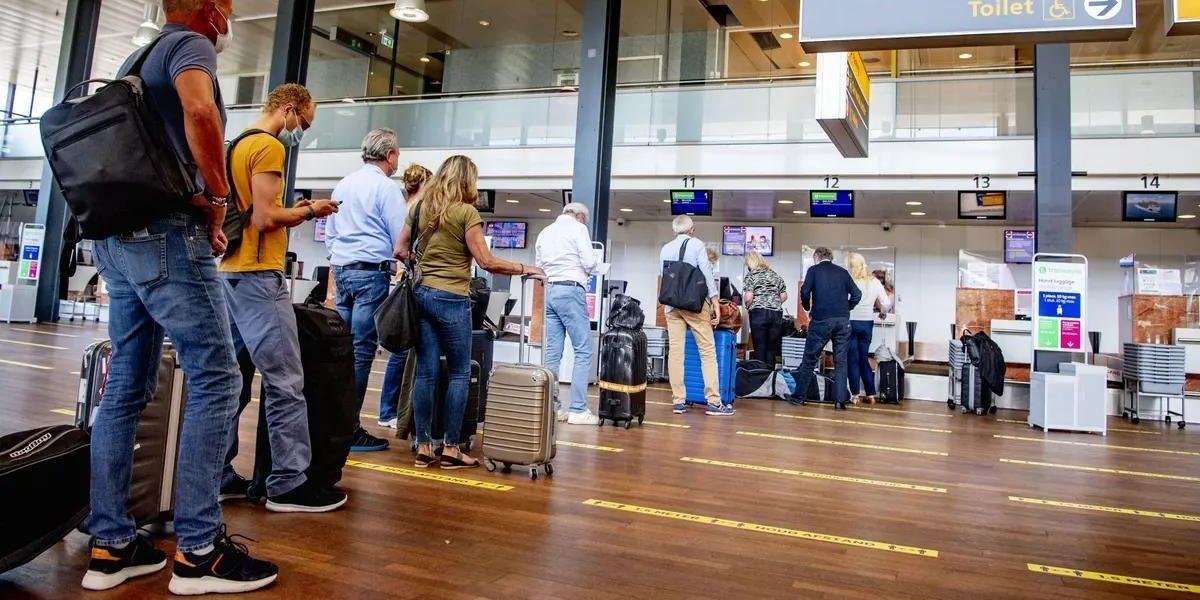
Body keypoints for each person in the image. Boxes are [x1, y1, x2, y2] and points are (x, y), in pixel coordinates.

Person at [82, 0, 279, 594]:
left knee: (126, 384)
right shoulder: (190, 47)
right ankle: (200, 553)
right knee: (217, 377)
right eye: (225, 4)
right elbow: (200, 111)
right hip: (167, 236)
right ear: (205, 8)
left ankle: (110, 543)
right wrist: (218, 198)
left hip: (117, 240)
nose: (230, 14)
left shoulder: (134, 60)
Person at [217, 83, 344, 512]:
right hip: (257, 277)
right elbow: (266, 217)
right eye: (304, 124)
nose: (301, 132)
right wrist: (311, 210)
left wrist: (296, 207)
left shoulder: (237, 142)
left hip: (229, 275)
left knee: (231, 382)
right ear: (289, 110)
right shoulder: (270, 147)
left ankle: (219, 473)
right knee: (286, 381)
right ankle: (289, 483)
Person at [395, 155, 544, 468]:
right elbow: (486, 261)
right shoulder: (466, 212)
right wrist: (524, 267)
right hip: (451, 298)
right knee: (461, 372)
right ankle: (450, 448)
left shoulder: (420, 208)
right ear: (467, 181)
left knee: (426, 371)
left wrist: (422, 266)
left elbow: (399, 249)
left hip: (421, 295)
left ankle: (423, 445)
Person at [324, 128, 408, 452]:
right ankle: (350, 429)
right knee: (360, 352)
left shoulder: (344, 183)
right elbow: (400, 239)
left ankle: (332, 424)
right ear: (389, 156)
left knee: (339, 351)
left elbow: (330, 232)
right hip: (370, 275)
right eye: (397, 153)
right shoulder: (386, 188)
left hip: (342, 273)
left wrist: (339, 258)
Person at [660, 216, 736, 417]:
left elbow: (665, 275)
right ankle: (713, 401)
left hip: (671, 305)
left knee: (676, 352)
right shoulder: (696, 245)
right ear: (691, 229)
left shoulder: (665, 248)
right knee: (708, 351)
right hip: (694, 305)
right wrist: (715, 302)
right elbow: (707, 274)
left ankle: (678, 401)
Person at [376, 164, 432, 428]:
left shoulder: (408, 206)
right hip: (409, 284)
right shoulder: (413, 210)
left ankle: (393, 409)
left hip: (405, 282)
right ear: (423, 183)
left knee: (404, 350)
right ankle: (389, 410)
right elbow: (402, 249)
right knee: (401, 351)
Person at [535, 202, 600, 425]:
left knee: (553, 353)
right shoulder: (578, 229)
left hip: (550, 289)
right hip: (571, 289)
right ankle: (578, 410)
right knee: (583, 350)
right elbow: (590, 262)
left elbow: (539, 265)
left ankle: (553, 408)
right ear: (580, 217)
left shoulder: (545, 231)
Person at [789, 247, 861, 410]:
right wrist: (846, 308)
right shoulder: (842, 272)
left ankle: (799, 397)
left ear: (816, 257)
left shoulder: (813, 270)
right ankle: (840, 401)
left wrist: (807, 308)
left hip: (821, 321)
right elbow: (857, 294)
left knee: (809, 359)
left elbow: (805, 292)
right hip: (843, 322)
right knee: (841, 362)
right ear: (831, 257)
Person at [846, 253, 892, 404]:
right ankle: (871, 394)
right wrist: (882, 312)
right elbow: (886, 303)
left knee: (852, 359)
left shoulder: (849, 281)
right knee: (863, 357)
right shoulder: (874, 282)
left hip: (851, 322)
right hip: (866, 323)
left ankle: (855, 395)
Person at [742, 251, 787, 366]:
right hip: (776, 314)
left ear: (750, 263)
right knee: (771, 349)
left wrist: (748, 305)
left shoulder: (751, 275)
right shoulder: (775, 275)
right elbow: (784, 296)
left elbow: (748, 297)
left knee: (760, 347)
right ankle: (770, 377)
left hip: (758, 313)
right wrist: (773, 303)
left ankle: (760, 378)